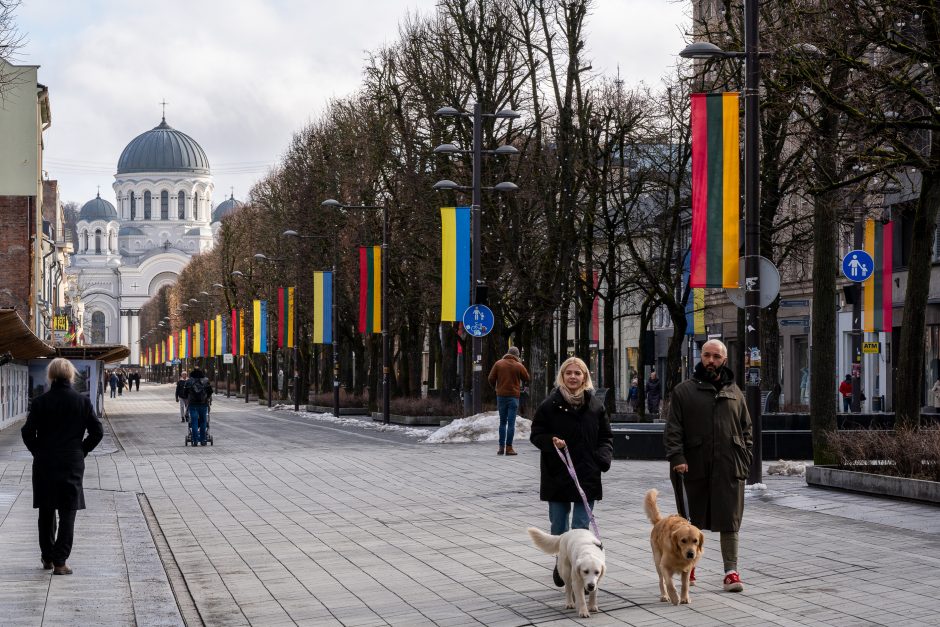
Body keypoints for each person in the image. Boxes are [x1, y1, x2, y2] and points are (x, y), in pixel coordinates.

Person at [664, 339, 752, 593]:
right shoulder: (684, 391)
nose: (710, 360)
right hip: (693, 466)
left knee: (730, 520)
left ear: (724, 360)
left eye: (716, 356)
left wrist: (744, 457)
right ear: (700, 357)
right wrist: (677, 458)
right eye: (706, 355)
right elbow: (673, 429)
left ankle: (731, 572)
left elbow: (746, 429)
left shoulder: (735, 392)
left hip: (729, 466)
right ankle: (687, 566)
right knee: (691, 520)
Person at [530, 356, 612, 586]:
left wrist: (602, 459)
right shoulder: (550, 405)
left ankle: (581, 573)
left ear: (585, 377)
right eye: (569, 373)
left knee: (581, 528)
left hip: (587, 474)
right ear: (562, 376)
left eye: (578, 373)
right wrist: (550, 441)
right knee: (558, 527)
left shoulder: (595, 406)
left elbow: (606, 437)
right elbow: (535, 434)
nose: (573, 377)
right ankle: (561, 562)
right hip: (557, 474)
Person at [21, 358, 103, 575]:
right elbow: (97, 432)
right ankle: (60, 562)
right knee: (68, 511)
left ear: (51, 376)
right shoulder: (82, 402)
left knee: (46, 511)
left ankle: (47, 557)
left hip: (45, 462)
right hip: (71, 462)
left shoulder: (40, 402)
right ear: (70, 375)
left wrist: (38, 451)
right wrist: (82, 450)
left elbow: (26, 432)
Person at [488, 345, 530, 456]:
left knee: (502, 422)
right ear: (516, 355)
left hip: (501, 396)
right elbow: (527, 378)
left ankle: (501, 448)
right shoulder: (518, 365)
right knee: (511, 423)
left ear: (507, 353)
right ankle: (509, 448)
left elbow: (491, 378)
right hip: (513, 397)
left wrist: (496, 388)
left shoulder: (498, 364)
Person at [183, 368, 213, 446]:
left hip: (193, 405)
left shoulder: (189, 381)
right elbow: (210, 391)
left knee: (194, 422)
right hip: (203, 404)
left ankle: (195, 440)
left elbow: (185, 393)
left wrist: (188, 399)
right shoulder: (206, 380)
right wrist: (207, 398)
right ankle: (203, 440)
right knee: (203, 422)